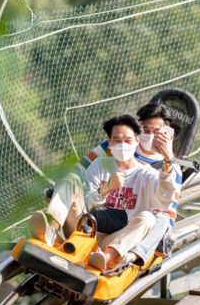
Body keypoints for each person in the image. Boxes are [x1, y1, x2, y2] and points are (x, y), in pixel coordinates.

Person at [29, 114, 181, 270]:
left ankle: (105, 258)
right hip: (85, 229)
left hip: (112, 240)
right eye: (117, 140)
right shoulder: (99, 165)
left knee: (148, 218)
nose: (122, 145)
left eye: (127, 141)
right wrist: (105, 189)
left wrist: (169, 161)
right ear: (109, 142)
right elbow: (87, 206)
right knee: (71, 179)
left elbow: (166, 200)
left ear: (137, 140)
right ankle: (50, 230)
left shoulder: (147, 175)